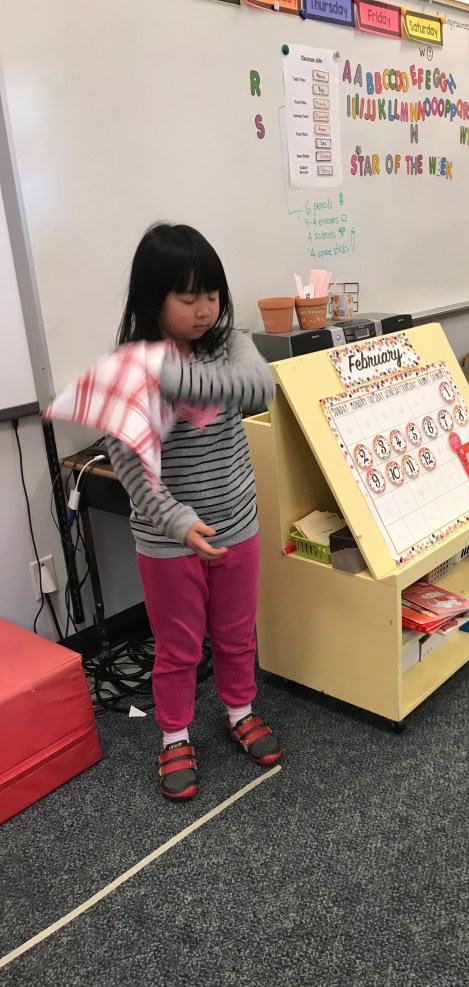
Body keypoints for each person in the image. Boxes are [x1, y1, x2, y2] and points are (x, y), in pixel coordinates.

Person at [104, 222, 282, 801]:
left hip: (237, 524)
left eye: (212, 294)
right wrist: (180, 524)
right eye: (188, 298)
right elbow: (132, 471)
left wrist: (177, 377)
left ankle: (240, 710)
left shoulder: (229, 345)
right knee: (178, 647)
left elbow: (259, 388)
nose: (205, 309)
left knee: (236, 633)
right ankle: (174, 734)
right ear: (152, 298)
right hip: (168, 540)